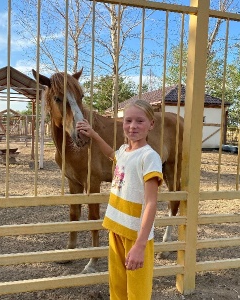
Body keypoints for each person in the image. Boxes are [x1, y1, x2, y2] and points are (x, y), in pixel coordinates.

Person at [76, 100, 163, 300]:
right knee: (117, 286)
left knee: (137, 290)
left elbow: (151, 202)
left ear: (151, 124)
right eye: (128, 120)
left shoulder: (149, 157)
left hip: (135, 234)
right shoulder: (125, 150)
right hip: (116, 228)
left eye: (140, 121)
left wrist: (140, 246)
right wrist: (94, 134)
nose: (132, 126)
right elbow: (112, 154)